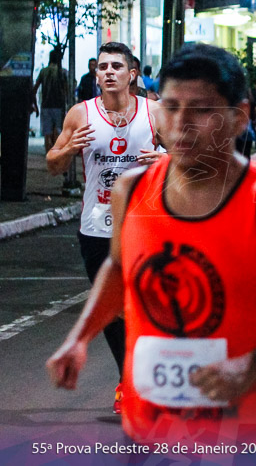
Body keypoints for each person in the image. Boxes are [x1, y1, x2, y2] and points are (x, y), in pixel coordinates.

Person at [46, 42, 256, 450]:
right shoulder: (131, 190)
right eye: (171, 107)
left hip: (252, 437)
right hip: (154, 432)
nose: (181, 123)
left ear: (239, 117)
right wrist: (79, 338)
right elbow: (118, 269)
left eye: (202, 110)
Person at [45, 42, 163, 414]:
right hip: (97, 228)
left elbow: (194, 156)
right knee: (112, 308)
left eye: (117, 66)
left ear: (132, 75)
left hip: (147, 225)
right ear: (96, 75)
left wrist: (166, 158)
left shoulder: (154, 112)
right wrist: (65, 152)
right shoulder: (81, 114)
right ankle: (128, 380)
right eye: (102, 67)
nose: (108, 72)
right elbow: (53, 165)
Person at [32, 48, 68, 152]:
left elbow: (34, 89)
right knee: (58, 130)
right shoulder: (63, 72)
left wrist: (35, 105)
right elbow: (66, 90)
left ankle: (48, 153)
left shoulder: (43, 71)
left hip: (45, 105)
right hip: (58, 105)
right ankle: (56, 153)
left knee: (47, 133)